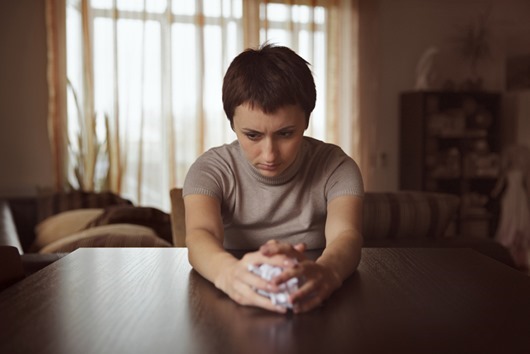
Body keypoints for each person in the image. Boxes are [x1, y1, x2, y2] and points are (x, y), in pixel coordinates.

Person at [182, 44, 364, 314]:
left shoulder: (337, 167)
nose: (269, 154)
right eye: (252, 135)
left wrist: (328, 272)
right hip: (231, 297)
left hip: (313, 292)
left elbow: (347, 235)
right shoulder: (210, 169)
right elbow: (200, 234)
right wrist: (228, 273)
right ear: (232, 124)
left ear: (306, 121)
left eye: (286, 134)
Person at [491, 144, 530, 270]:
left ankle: (518, 252)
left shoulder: (524, 171)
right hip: (510, 198)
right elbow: (499, 185)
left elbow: (527, 185)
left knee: (520, 220)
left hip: (520, 198)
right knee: (508, 220)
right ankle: (507, 247)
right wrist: (494, 194)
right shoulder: (507, 171)